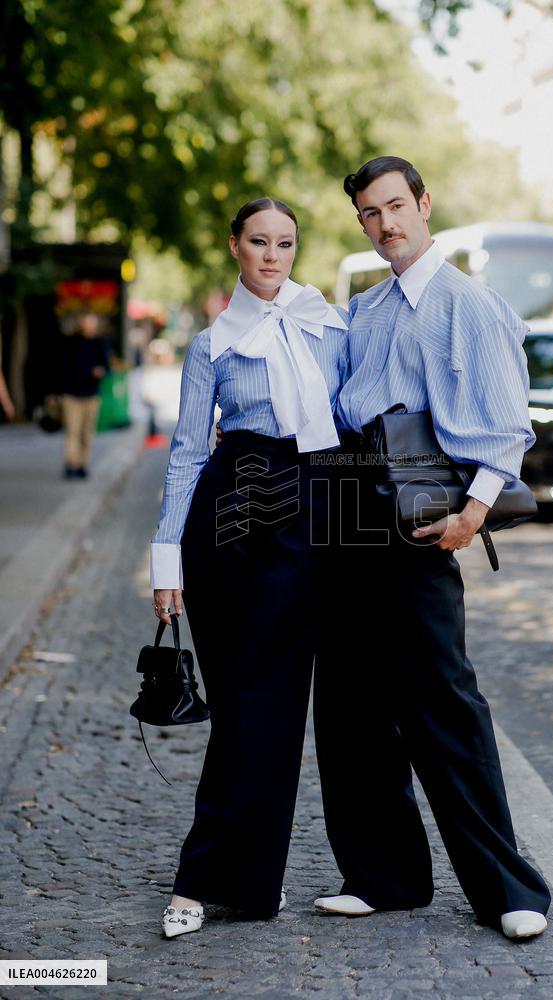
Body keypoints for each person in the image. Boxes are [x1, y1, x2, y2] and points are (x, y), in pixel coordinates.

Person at [312, 157, 552, 940]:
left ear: (423, 204)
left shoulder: (468, 306)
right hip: (351, 507)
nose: (385, 223)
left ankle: (508, 889)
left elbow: (507, 426)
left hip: (423, 513)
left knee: (443, 701)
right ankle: (384, 878)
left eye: (395, 206)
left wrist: (471, 516)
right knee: (350, 704)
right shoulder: (363, 309)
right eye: (370, 213)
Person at [150, 197, 348, 939]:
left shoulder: (329, 326)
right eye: (259, 242)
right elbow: (187, 453)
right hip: (226, 516)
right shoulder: (211, 345)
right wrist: (166, 560)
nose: (272, 256)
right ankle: (248, 886)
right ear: (234, 245)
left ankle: (203, 880)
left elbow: (355, 417)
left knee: (272, 699)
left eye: (285, 243)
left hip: (305, 511)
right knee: (239, 702)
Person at [55, 312, 110, 478]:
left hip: (91, 395)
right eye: (87, 323)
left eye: (92, 323)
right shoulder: (70, 343)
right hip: (71, 395)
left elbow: (107, 367)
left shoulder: (100, 343)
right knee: (72, 430)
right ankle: (71, 464)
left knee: (87, 432)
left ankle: (82, 464)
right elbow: (61, 367)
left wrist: (101, 371)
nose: (90, 326)